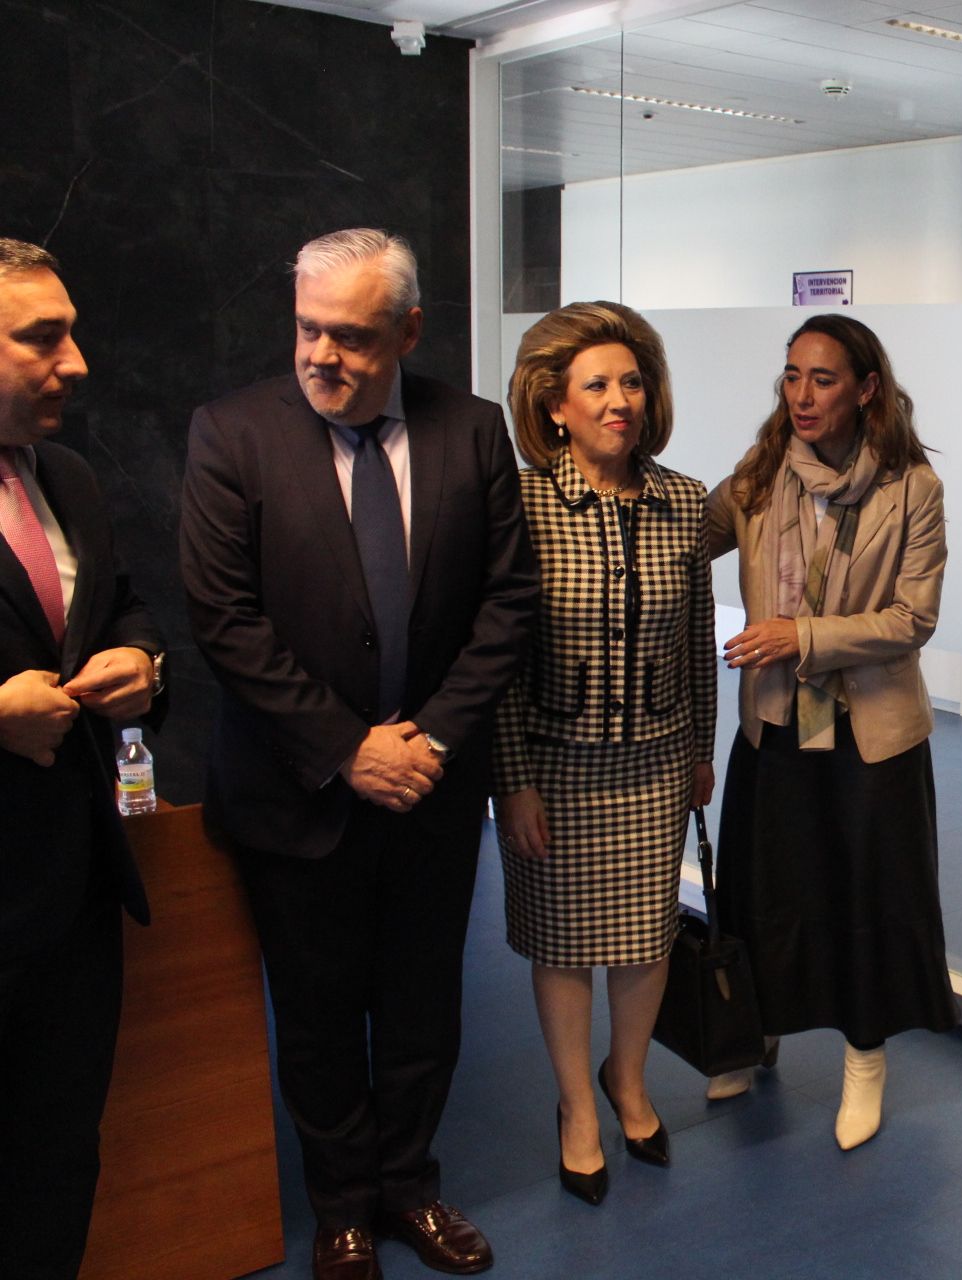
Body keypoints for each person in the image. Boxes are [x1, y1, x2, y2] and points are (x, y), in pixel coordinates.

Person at [179, 228, 537, 1280]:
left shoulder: (471, 433)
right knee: (321, 1012)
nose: (322, 355)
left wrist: (426, 738)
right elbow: (222, 616)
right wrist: (347, 747)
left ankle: (410, 1188)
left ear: (410, 330)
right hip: (298, 795)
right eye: (307, 329)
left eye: (351, 335)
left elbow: (507, 600)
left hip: (429, 787)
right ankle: (340, 1207)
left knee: (427, 1003)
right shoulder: (231, 434)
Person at [705, 312, 955, 1151]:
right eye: (791, 376)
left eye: (822, 378)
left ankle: (864, 1062)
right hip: (775, 721)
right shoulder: (763, 470)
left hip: (871, 732)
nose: (802, 395)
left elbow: (911, 618)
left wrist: (802, 636)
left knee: (863, 899)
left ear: (866, 390)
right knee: (765, 890)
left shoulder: (912, 486)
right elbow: (686, 533)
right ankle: (751, 1035)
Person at [492, 301, 716, 1205]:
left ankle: (628, 1079)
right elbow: (497, 657)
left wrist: (701, 750)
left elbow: (697, 638)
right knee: (563, 943)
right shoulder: (517, 503)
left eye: (631, 382)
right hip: (556, 765)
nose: (619, 400)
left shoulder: (683, 502)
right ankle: (575, 1104)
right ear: (553, 404)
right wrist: (511, 781)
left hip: (657, 761)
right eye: (597, 385)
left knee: (644, 938)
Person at [0, 239, 165, 1280]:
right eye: (41, 337)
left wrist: (142, 661)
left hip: (67, 906)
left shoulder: (68, 474)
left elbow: (127, 605)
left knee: (56, 1163)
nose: (79, 362)